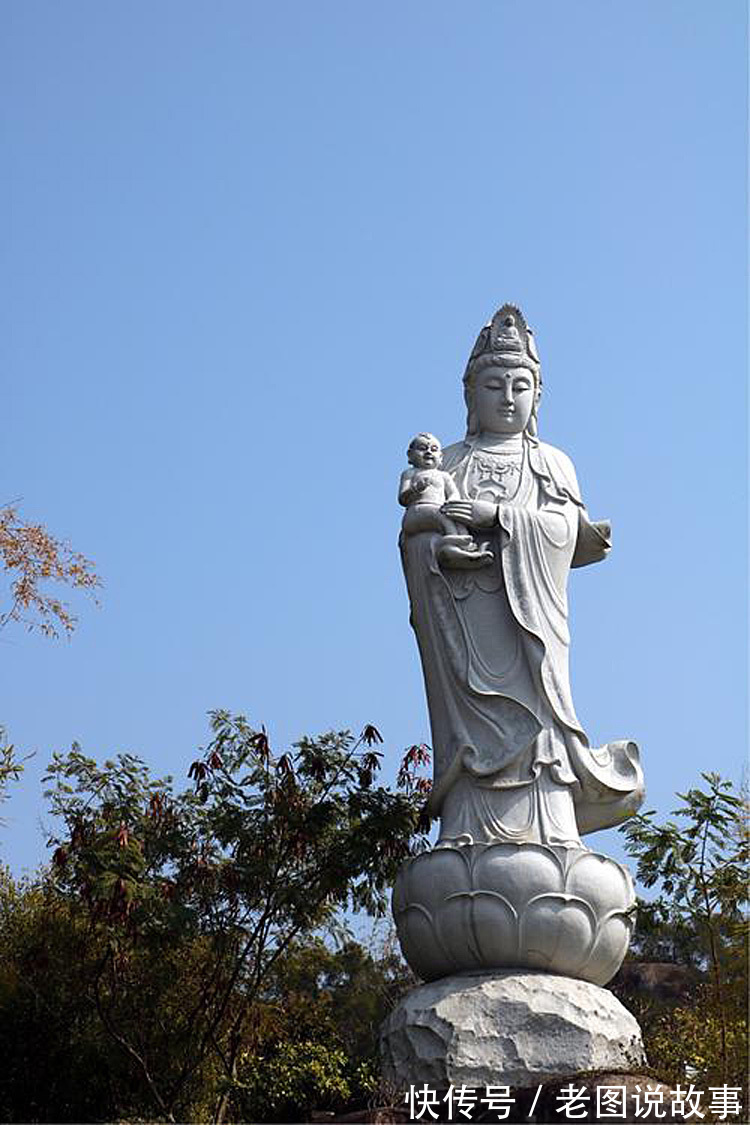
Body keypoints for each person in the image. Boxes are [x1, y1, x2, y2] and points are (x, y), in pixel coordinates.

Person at [399, 304, 643, 849]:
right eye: (494, 385)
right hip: (466, 624)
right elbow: (417, 532)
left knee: (540, 730)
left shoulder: (552, 463)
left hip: (530, 626)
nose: (507, 398)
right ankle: (467, 818)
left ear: (537, 397)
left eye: (520, 386)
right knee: (473, 723)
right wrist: (438, 547)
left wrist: (499, 519)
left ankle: (548, 822)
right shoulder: (450, 464)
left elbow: (565, 529)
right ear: (471, 396)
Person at [399, 432, 493, 568]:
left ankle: (466, 549)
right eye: (422, 448)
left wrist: (452, 504)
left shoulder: (443, 476)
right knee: (443, 517)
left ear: (441, 457)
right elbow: (402, 498)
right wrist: (415, 489)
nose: (428, 452)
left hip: (439, 510)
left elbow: (453, 493)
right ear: (410, 455)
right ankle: (452, 546)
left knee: (457, 518)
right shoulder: (410, 473)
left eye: (434, 449)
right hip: (416, 512)